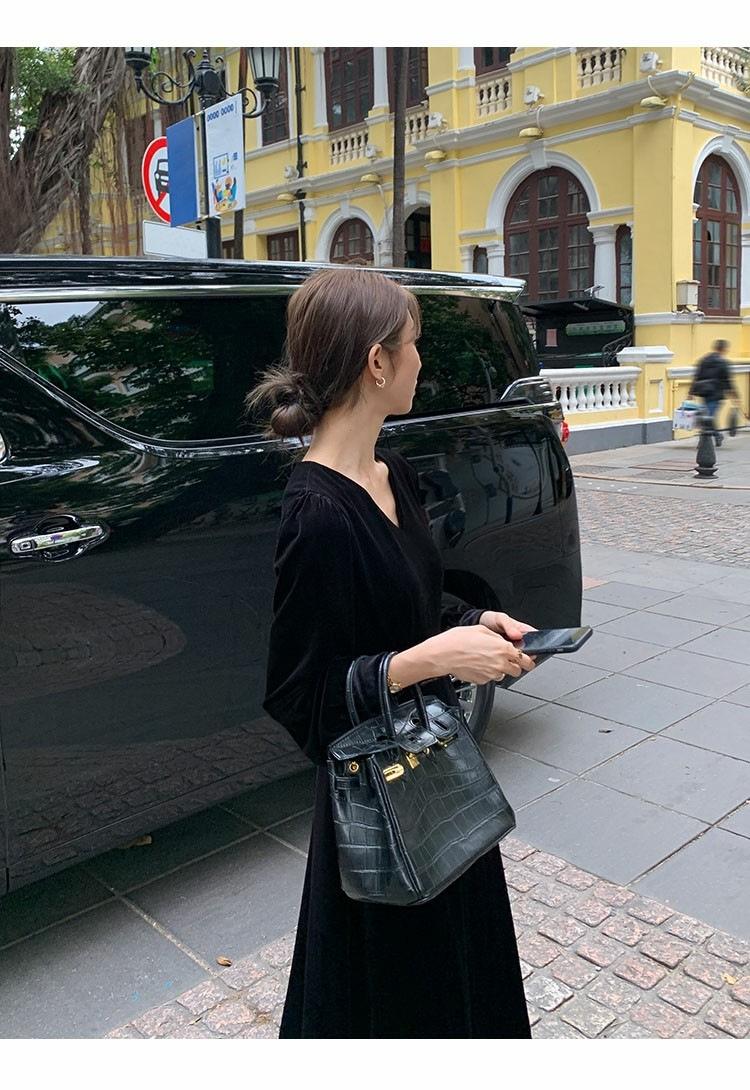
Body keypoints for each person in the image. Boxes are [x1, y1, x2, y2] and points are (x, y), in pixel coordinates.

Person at [246, 266, 536, 1040]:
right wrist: (430, 661)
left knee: (462, 977)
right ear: (377, 362)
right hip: (380, 798)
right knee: (401, 1000)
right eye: (413, 345)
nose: (420, 360)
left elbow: (410, 601)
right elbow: (299, 697)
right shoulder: (315, 513)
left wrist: (477, 622)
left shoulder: (392, 472)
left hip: (439, 770)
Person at [689, 339, 739, 447]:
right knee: (708, 417)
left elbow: (696, 376)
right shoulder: (723, 362)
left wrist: (690, 392)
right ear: (723, 349)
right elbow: (727, 380)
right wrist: (735, 396)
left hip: (704, 392)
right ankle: (714, 436)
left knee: (707, 417)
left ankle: (709, 438)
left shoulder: (704, 360)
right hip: (716, 393)